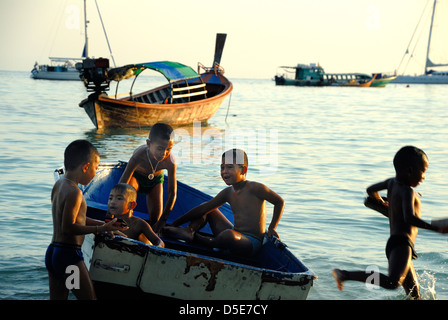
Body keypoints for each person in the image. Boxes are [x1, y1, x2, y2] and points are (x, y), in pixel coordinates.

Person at [332, 146, 448, 299]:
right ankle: (345, 274)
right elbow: (409, 218)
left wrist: (381, 201)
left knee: (414, 295)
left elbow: (370, 190)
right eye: (423, 171)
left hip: (396, 244)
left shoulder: (391, 183)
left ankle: (345, 274)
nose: (424, 177)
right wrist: (435, 228)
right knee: (392, 283)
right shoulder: (408, 191)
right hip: (402, 245)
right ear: (410, 171)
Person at [163, 149, 284, 256]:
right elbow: (203, 209)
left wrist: (272, 227)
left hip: (250, 242)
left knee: (229, 235)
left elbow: (279, 202)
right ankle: (189, 231)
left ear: (243, 170)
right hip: (236, 232)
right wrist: (175, 223)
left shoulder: (256, 188)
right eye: (222, 167)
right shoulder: (228, 192)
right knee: (207, 208)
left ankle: (199, 239)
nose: (224, 171)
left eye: (229, 167)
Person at [46, 140, 127, 300]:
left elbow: (77, 218)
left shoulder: (60, 185)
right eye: (95, 169)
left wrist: (104, 225)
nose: (95, 173)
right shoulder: (75, 192)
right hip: (68, 257)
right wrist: (100, 230)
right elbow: (68, 227)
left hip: (53, 253)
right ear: (85, 167)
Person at [119, 123, 177, 233]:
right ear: (149, 144)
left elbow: (172, 193)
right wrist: (113, 211)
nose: (164, 153)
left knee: (156, 220)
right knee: (126, 196)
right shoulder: (139, 155)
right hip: (136, 178)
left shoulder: (170, 162)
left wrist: (163, 220)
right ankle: (125, 226)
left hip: (155, 181)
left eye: (168, 149)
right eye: (160, 148)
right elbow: (122, 184)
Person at [107, 183, 164, 247]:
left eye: (119, 198)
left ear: (132, 205)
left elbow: (159, 242)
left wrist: (156, 248)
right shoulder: (110, 220)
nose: (112, 202)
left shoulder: (139, 224)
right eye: (110, 198)